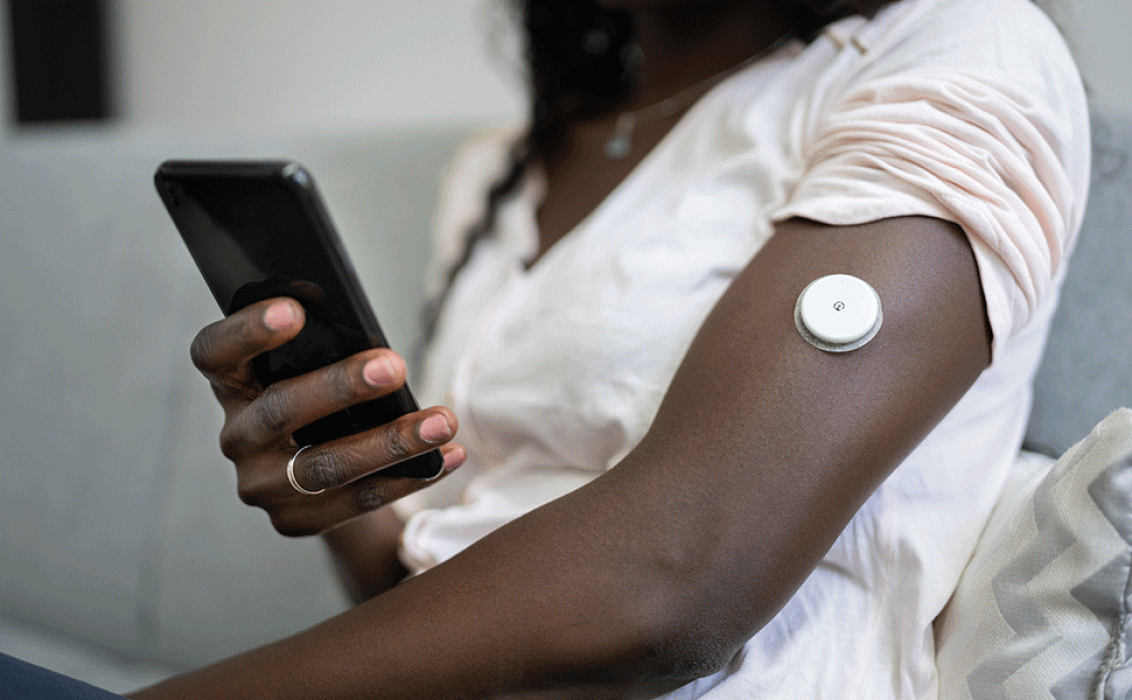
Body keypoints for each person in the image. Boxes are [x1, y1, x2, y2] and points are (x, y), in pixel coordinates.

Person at [127, 0, 1089, 697]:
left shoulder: (955, 49)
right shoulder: (501, 169)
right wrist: (329, 477)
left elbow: (679, 582)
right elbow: (429, 585)